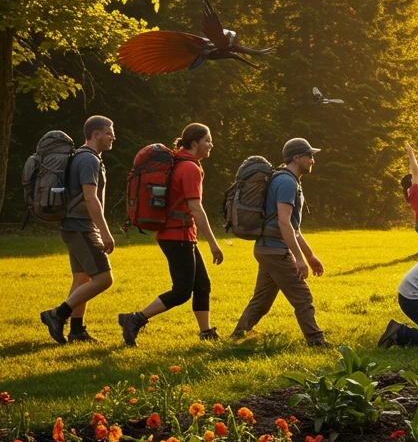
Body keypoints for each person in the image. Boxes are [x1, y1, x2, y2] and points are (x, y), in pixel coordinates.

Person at [118, 123, 226, 345]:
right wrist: (214, 244)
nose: (211, 145)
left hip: (179, 234)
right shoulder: (190, 169)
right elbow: (196, 208)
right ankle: (135, 319)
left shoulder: (180, 162)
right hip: (177, 235)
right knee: (182, 291)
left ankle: (206, 332)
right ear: (194, 143)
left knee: (202, 284)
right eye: (207, 140)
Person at [231, 138, 327, 346]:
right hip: (276, 251)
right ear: (296, 157)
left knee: (262, 300)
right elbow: (284, 223)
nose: (313, 160)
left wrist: (310, 256)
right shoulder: (286, 182)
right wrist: (299, 260)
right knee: (303, 297)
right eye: (309, 156)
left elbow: (294, 228)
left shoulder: (287, 180)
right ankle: (316, 341)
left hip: (267, 249)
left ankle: (238, 335)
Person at [39, 116, 117, 344]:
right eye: (109, 133)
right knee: (104, 279)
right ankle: (57, 314)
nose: (113, 137)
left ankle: (77, 331)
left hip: (75, 225)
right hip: (81, 226)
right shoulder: (88, 160)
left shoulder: (84, 157)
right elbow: (91, 199)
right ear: (95, 134)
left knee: (82, 278)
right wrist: (105, 232)